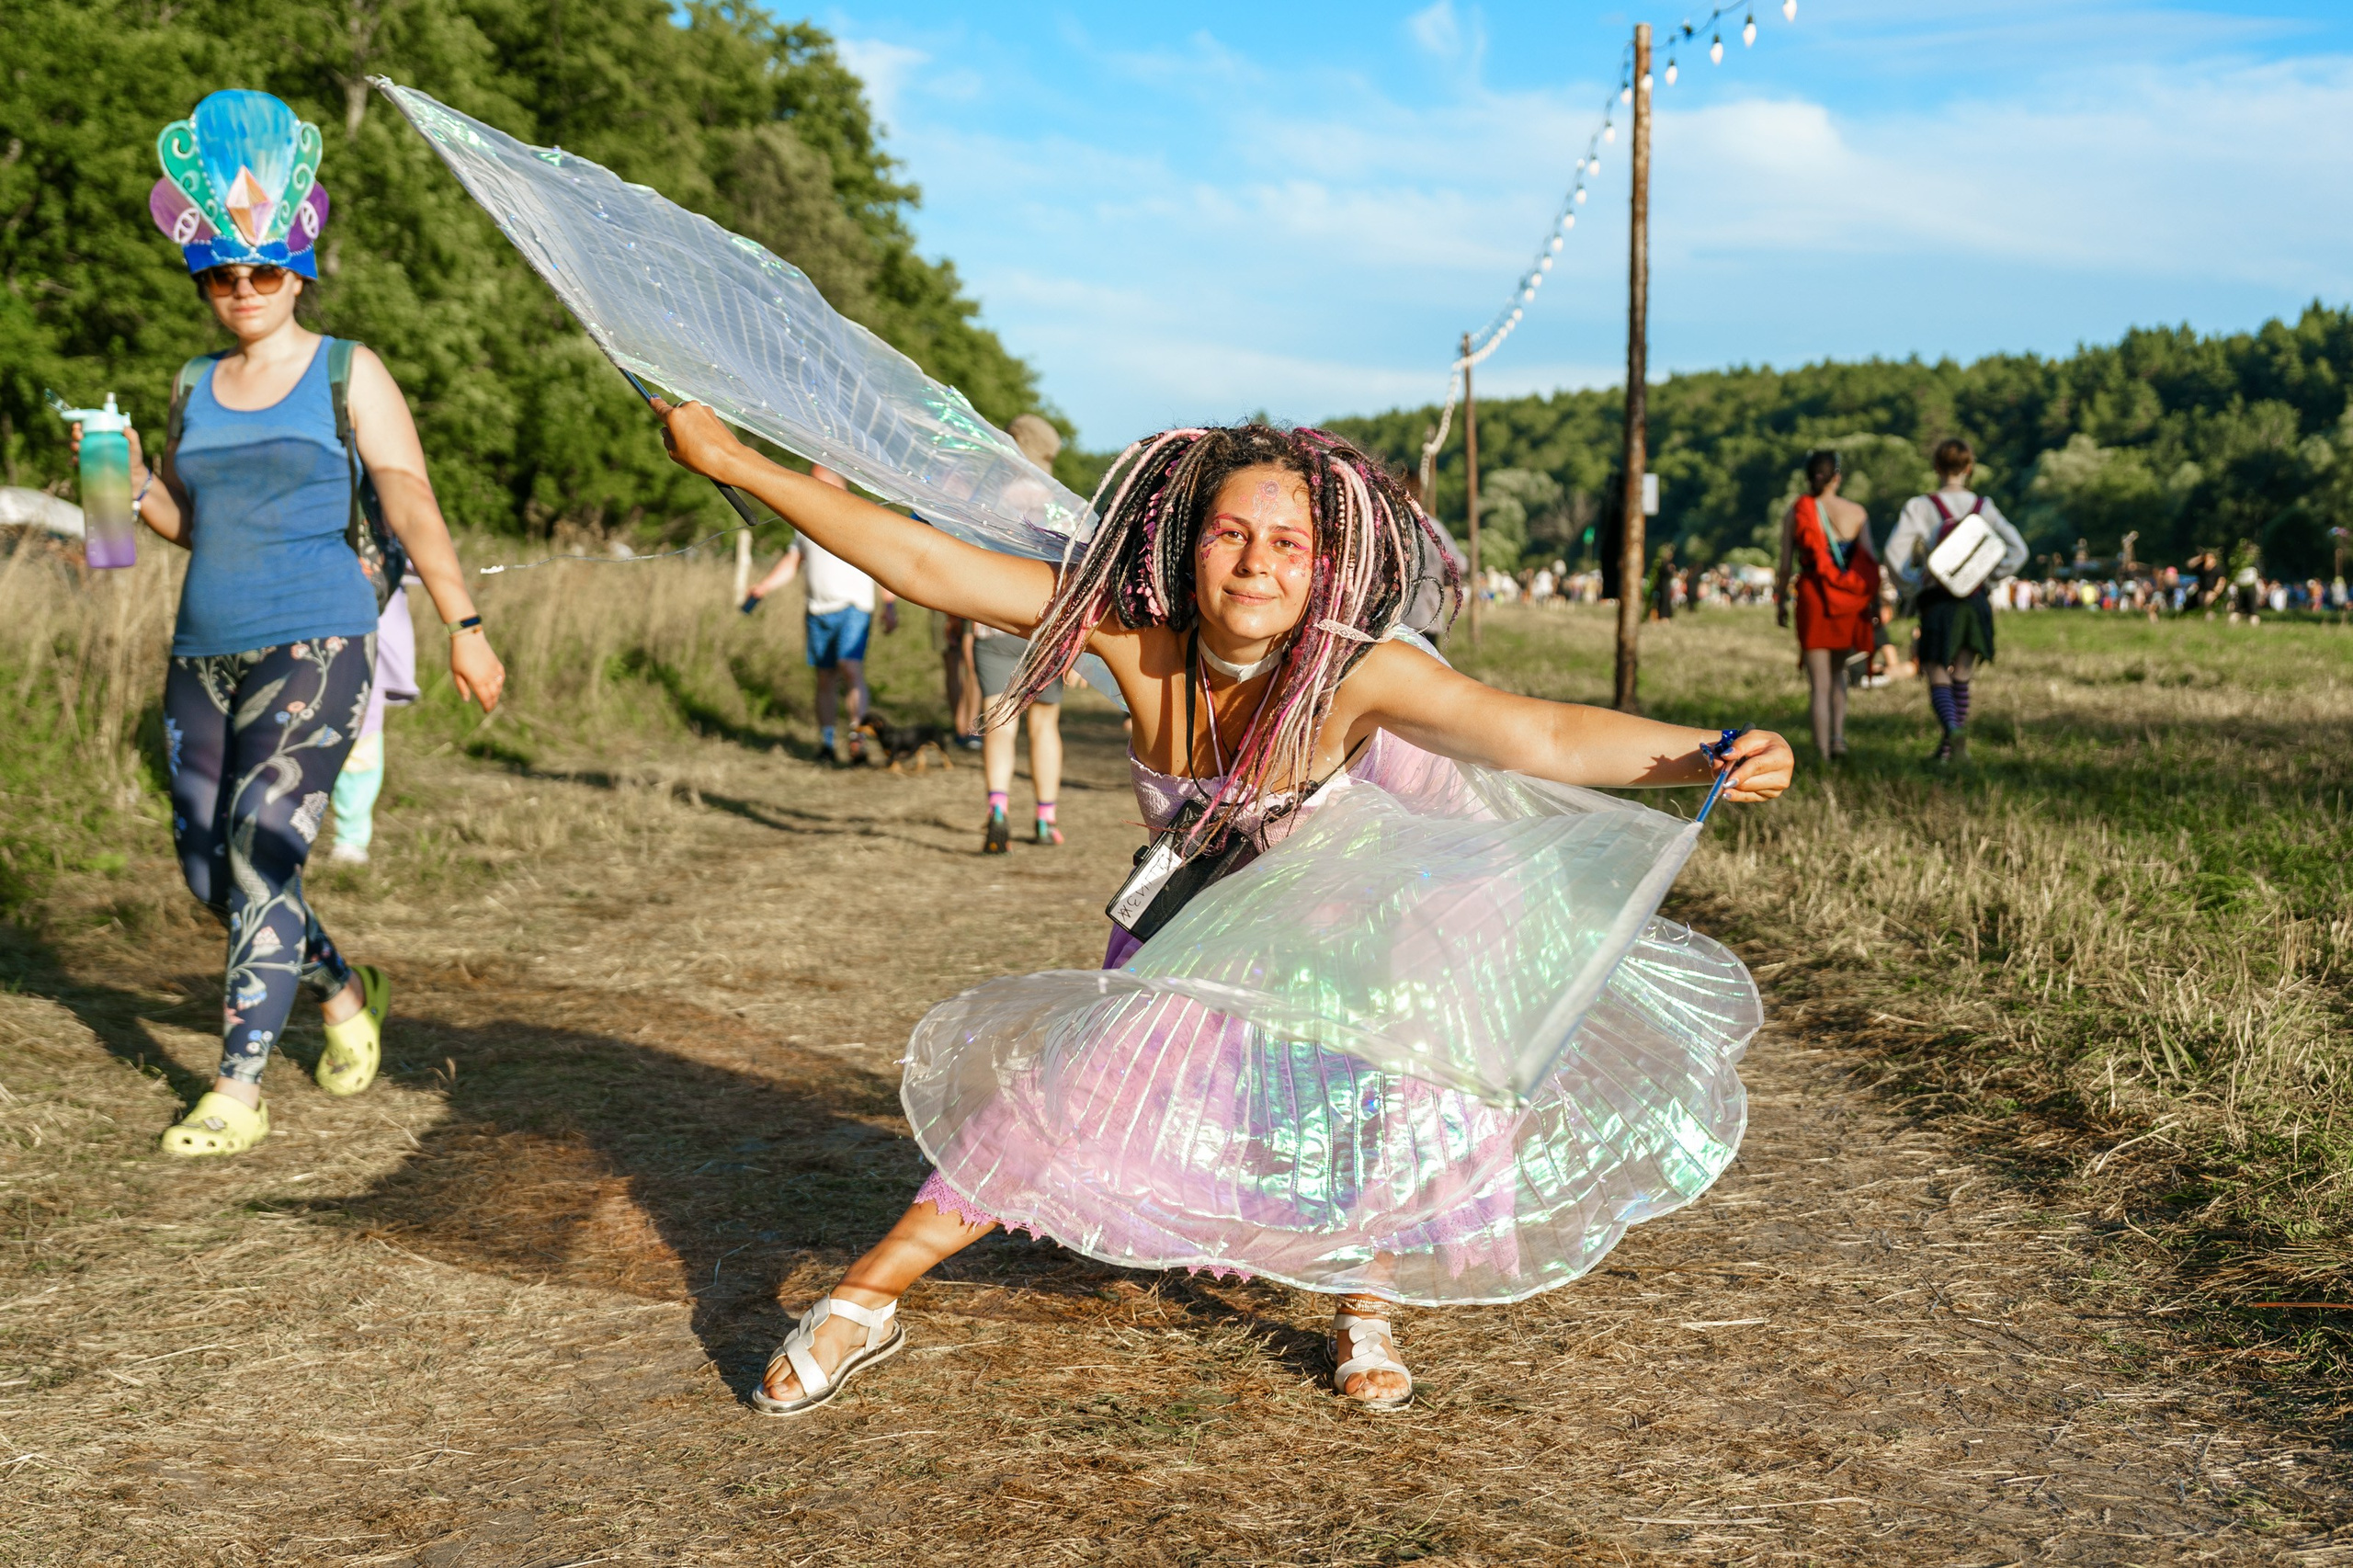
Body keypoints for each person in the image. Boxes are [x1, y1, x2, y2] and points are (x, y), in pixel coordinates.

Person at [650, 403, 1795, 1415]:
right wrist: (740, 465)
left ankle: (1363, 1301)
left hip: (1352, 941)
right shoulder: (1132, 641)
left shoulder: (1359, 675)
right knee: (1051, 1102)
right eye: (1232, 533)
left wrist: (1700, 753)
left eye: (1288, 542)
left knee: (1387, 1093)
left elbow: (1536, 731)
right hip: (1196, 942)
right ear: (1184, 541)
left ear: (1323, 566)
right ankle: (863, 1300)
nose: (1258, 563)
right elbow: (925, 563)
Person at [93, 90, 504, 1156]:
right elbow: (196, 520)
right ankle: (339, 986)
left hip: (317, 636)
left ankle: (236, 1086)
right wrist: (134, 488)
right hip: (202, 646)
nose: (241, 290)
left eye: (263, 271)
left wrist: (463, 619)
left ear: (299, 272)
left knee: (261, 848)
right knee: (208, 868)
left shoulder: (346, 369)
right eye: (221, 275)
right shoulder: (192, 383)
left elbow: (407, 494)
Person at [1884, 438, 2027, 766]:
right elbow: (2018, 550)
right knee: (1962, 672)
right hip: (1975, 601)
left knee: (1936, 670)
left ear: (1936, 467)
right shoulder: (1984, 506)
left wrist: (1914, 583)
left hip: (1938, 601)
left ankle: (1951, 732)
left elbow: (1894, 552)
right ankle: (1953, 749)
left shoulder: (1921, 506)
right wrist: (1988, 576)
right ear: (1969, 467)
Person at [744, 464, 897, 762]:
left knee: (849, 668)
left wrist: (889, 605)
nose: (813, 487)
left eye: (821, 482)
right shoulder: (804, 521)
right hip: (817, 611)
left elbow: (882, 565)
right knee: (825, 677)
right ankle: (827, 743)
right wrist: (764, 587)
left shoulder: (862, 517)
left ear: (840, 485)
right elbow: (792, 562)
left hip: (854, 607)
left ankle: (857, 738)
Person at [973, 415, 1073, 850]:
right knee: (1044, 727)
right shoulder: (1059, 504)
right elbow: (1075, 573)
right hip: (1045, 626)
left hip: (993, 621)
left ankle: (997, 811)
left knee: (999, 723)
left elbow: (969, 555)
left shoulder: (988, 498)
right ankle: (1045, 821)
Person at [1774, 449, 1881, 760]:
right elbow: (1869, 562)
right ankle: (1838, 739)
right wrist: (1873, 604)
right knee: (1838, 674)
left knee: (1818, 682)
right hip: (1849, 602)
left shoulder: (1796, 512)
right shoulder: (1857, 513)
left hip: (1813, 597)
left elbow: (1784, 566)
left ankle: (1820, 754)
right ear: (1837, 476)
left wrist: (1780, 601)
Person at [326, 575, 421, 865]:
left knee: (362, 738)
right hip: (306, 623)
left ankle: (350, 837)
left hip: (371, 637)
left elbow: (421, 548)